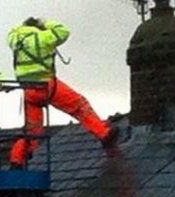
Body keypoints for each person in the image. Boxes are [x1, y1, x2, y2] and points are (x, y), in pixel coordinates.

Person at [7, 17, 120, 166]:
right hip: (47, 86)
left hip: (28, 91)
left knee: (31, 131)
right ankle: (104, 134)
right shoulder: (43, 37)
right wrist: (45, 24)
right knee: (80, 106)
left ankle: (17, 160)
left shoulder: (16, 39)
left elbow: (11, 33)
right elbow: (63, 31)